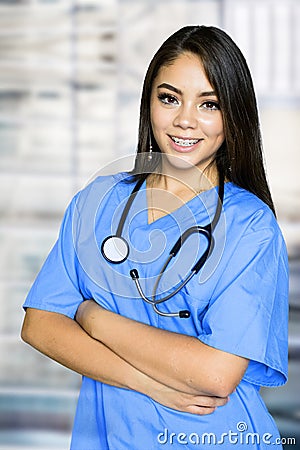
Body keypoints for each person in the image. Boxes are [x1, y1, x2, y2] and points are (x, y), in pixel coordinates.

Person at [21, 25, 289, 449]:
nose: (185, 120)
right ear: (149, 103)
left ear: (233, 115)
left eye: (209, 104)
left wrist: (92, 317)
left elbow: (215, 375)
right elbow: (40, 324)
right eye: (169, 98)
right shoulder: (99, 202)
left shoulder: (250, 227)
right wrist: (148, 383)